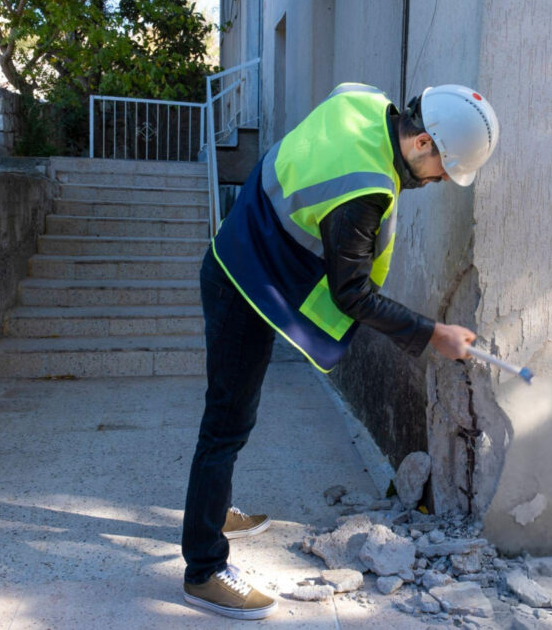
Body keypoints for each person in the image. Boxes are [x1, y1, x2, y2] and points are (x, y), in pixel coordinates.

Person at [181, 82, 500, 620]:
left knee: (234, 416)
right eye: (445, 167)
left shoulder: (364, 102)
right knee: (227, 422)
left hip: (245, 252)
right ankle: (204, 568)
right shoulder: (366, 191)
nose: (444, 179)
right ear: (422, 143)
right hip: (243, 283)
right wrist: (432, 334)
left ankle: (209, 511)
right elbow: (350, 293)